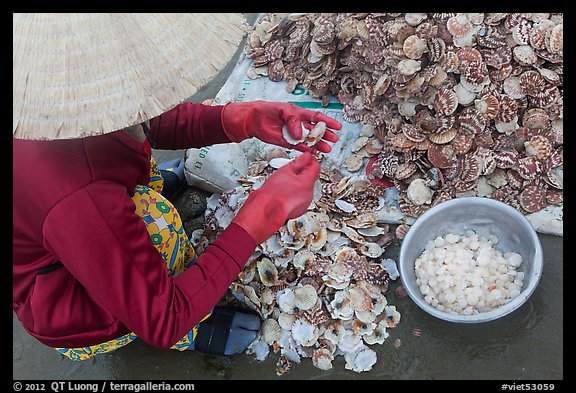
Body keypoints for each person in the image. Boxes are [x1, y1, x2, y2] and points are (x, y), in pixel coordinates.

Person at [13, 13, 343, 361]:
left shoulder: (60, 93)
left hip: (74, 214)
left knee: (139, 190)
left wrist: (242, 119)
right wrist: (264, 214)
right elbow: (162, 320)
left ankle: (143, 201)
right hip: (70, 305)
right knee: (158, 220)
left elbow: (147, 118)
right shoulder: (80, 198)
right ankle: (195, 328)